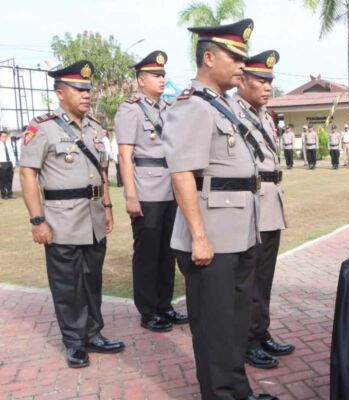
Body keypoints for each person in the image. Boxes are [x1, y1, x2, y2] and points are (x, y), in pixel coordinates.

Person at [162, 19, 277, 400]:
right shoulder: (192, 105)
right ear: (208, 58)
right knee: (214, 326)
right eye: (235, 58)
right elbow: (181, 175)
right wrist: (198, 236)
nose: (242, 67)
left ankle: (236, 391)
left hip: (240, 231)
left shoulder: (226, 106)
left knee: (234, 323)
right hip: (210, 235)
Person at [19, 60, 125, 368]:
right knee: (67, 285)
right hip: (60, 219)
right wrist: (37, 220)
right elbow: (27, 174)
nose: (86, 94)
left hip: (92, 218)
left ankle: (93, 333)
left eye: (88, 89)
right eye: (78, 89)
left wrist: (106, 206)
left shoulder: (95, 128)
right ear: (60, 92)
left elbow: (102, 171)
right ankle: (74, 342)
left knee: (92, 281)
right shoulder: (43, 128)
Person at [115, 50, 188, 334]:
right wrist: (130, 195)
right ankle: (148, 311)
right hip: (146, 189)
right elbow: (124, 155)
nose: (161, 79)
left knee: (167, 251)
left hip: (170, 189)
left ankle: (165, 305)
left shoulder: (168, 109)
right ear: (140, 80)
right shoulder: (130, 110)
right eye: (155, 75)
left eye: (162, 74)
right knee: (147, 254)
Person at [237, 49, 295, 370]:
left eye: (270, 81)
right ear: (241, 79)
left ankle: (261, 331)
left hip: (271, 200)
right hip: (249, 203)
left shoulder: (264, 115)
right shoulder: (232, 112)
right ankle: (247, 339)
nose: (267, 87)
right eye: (260, 80)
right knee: (249, 277)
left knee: (264, 276)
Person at [0, 130, 17, 199]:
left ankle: (10, 193)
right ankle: (4, 194)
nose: (4, 138)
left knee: (10, 179)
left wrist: (13, 164)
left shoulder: (8, 144)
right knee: (2, 180)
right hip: (2, 163)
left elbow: (12, 154)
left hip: (9, 163)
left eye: (5, 136)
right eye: (3, 136)